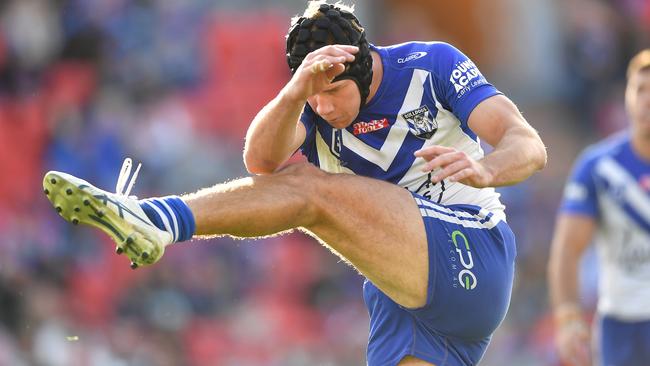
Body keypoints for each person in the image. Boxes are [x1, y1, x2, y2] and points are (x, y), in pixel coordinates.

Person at [43, 1, 546, 365]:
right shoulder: (313, 105)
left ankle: (157, 219)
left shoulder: (432, 65)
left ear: (364, 66)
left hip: (469, 252)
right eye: (315, 98)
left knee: (307, 187)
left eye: (332, 93)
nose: (324, 108)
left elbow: (528, 145)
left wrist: (488, 170)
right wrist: (293, 93)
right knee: (293, 178)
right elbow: (259, 162)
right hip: (404, 295)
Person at [548, 48, 650, 366]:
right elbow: (567, 248)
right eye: (640, 89)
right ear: (627, 97)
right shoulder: (599, 167)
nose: (647, 99)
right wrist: (567, 319)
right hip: (623, 325)